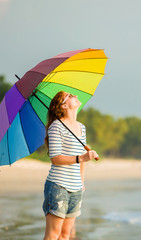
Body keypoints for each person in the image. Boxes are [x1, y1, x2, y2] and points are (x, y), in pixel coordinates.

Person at [43, 91, 98, 240]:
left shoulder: (82, 127)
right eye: (71, 95)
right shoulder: (56, 127)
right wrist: (81, 157)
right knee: (53, 234)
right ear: (64, 105)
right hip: (58, 186)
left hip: (76, 187)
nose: (76, 96)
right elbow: (56, 158)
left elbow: (82, 159)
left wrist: (81, 180)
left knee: (65, 234)